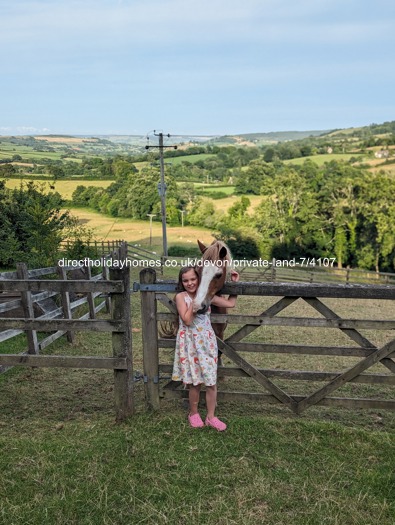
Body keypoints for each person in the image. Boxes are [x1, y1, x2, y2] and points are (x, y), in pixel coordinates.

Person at [172, 265, 239, 431]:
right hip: (190, 344)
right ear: (181, 282)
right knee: (195, 383)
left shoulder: (208, 296)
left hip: (207, 343)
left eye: (193, 279)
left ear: (199, 280)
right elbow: (187, 321)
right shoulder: (181, 297)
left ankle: (211, 416)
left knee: (211, 381)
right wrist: (195, 305)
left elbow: (230, 304)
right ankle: (193, 413)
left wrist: (234, 284)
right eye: (185, 280)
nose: (190, 283)